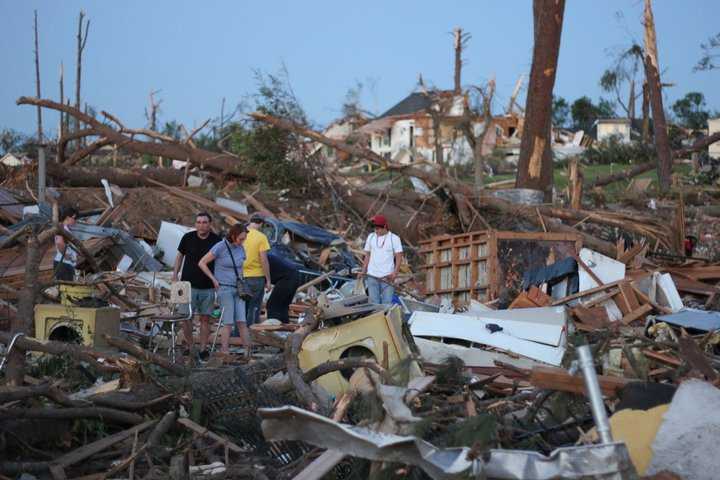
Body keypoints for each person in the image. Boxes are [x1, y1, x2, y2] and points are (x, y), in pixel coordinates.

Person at [172, 212, 221, 361]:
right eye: (198, 222)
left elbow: (220, 261)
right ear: (195, 224)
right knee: (186, 317)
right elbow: (180, 256)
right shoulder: (188, 237)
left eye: (204, 222)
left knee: (205, 319)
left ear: (210, 224)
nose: (201, 225)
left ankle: (203, 348)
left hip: (207, 287)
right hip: (187, 285)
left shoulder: (216, 240)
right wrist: (175, 275)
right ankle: (190, 346)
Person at [198, 224, 249, 359]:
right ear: (233, 236)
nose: (242, 241)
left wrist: (243, 282)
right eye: (241, 239)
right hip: (224, 288)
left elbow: (241, 268)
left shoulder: (241, 248)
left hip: (238, 289)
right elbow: (202, 262)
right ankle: (224, 352)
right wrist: (213, 279)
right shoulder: (220, 246)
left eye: (244, 239)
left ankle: (247, 352)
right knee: (228, 322)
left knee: (242, 321)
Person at [360, 214, 404, 305]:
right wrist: (363, 271)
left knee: (387, 303)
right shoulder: (371, 237)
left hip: (387, 277)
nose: (376, 231)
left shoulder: (394, 239)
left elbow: (399, 257)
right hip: (372, 275)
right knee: (374, 303)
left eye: (378, 228)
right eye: (375, 228)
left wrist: (394, 273)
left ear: (384, 226)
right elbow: (367, 255)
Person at [243, 214, 272, 326]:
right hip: (256, 277)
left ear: (250, 221)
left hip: (240, 276)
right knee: (253, 308)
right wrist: (268, 280)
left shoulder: (240, 234)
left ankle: (236, 334)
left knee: (240, 308)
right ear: (261, 223)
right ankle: (251, 333)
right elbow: (264, 260)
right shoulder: (261, 237)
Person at [266, 252, 301, 323]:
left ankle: (273, 329)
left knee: (272, 306)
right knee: (283, 306)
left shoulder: (261, 260)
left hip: (287, 278)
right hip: (295, 275)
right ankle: (285, 329)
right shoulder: (268, 256)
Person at [54, 207, 79, 281]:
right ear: (68, 217)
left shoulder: (65, 229)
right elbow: (59, 243)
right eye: (74, 218)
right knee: (67, 288)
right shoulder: (62, 228)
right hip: (63, 264)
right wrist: (67, 256)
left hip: (66, 264)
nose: (75, 221)